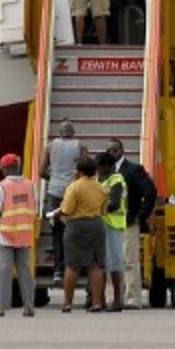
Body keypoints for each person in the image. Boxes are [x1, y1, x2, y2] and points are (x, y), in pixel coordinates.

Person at [0, 153, 37, 317]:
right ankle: (28, 306)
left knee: (4, 271)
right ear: (18, 166)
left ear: (4, 169)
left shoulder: (1, 187)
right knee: (25, 272)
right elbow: (34, 206)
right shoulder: (30, 185)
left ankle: (1, 306)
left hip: (3, 235)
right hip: (24, 235)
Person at [51, 156, 107, 313]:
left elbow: (67, 209)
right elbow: (104, 210)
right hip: (96, 224)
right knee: (95, 265)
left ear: (79, 172)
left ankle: (68, 303)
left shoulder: (74, 187)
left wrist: (56, 214)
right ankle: (97, 302)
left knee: (72, 265)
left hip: (76, 226)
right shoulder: (101, 188)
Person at [106, 138, 156, 310]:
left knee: (130, 261)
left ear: (122, 151)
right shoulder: (106, 173)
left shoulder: (134, 170)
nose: (111, 153)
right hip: (110, 224)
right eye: (109, 151)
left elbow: (150, 191)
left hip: (128, 222)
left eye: (114, 150)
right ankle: (113, 297)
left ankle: (133, 298)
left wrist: (141, 216)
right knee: (112, 261)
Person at [37, 121, 86, 286]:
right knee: (74, 232)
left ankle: (58, 270)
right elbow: (85, 170)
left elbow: (41, 171)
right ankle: (73, 268)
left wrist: (55, 179)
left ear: (59, 132)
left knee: (57, 233)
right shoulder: (81, 146)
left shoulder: (49, 147)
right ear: (73, 132)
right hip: (73, 193)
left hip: (55, 193)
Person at [96, 152, 127, 312]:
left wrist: (96, 209)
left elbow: (114, 203)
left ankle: (117, 299)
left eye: (99, 167)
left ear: (107, 166)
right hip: (100, 225)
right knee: (100, 264)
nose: (97, 170)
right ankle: (99, 300)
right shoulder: (97, 180)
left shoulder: (117, 180)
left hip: (114, 225)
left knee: (115, 263)